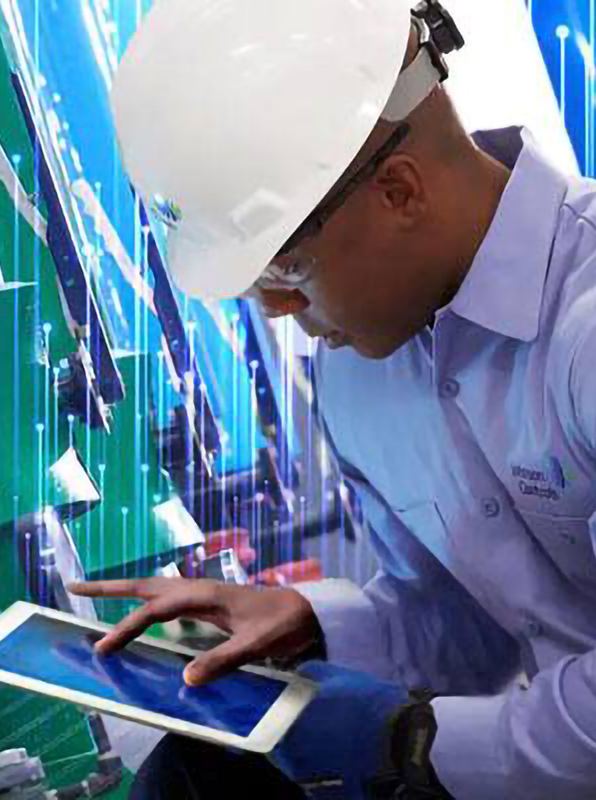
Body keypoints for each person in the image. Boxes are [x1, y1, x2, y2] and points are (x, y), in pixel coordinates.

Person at [72, 0, 596, 797]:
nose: (278, 315)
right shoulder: (364, 369)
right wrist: (316, 624)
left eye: (287, 274)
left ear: (399, 192)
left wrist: (413, 743)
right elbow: (477, 627)